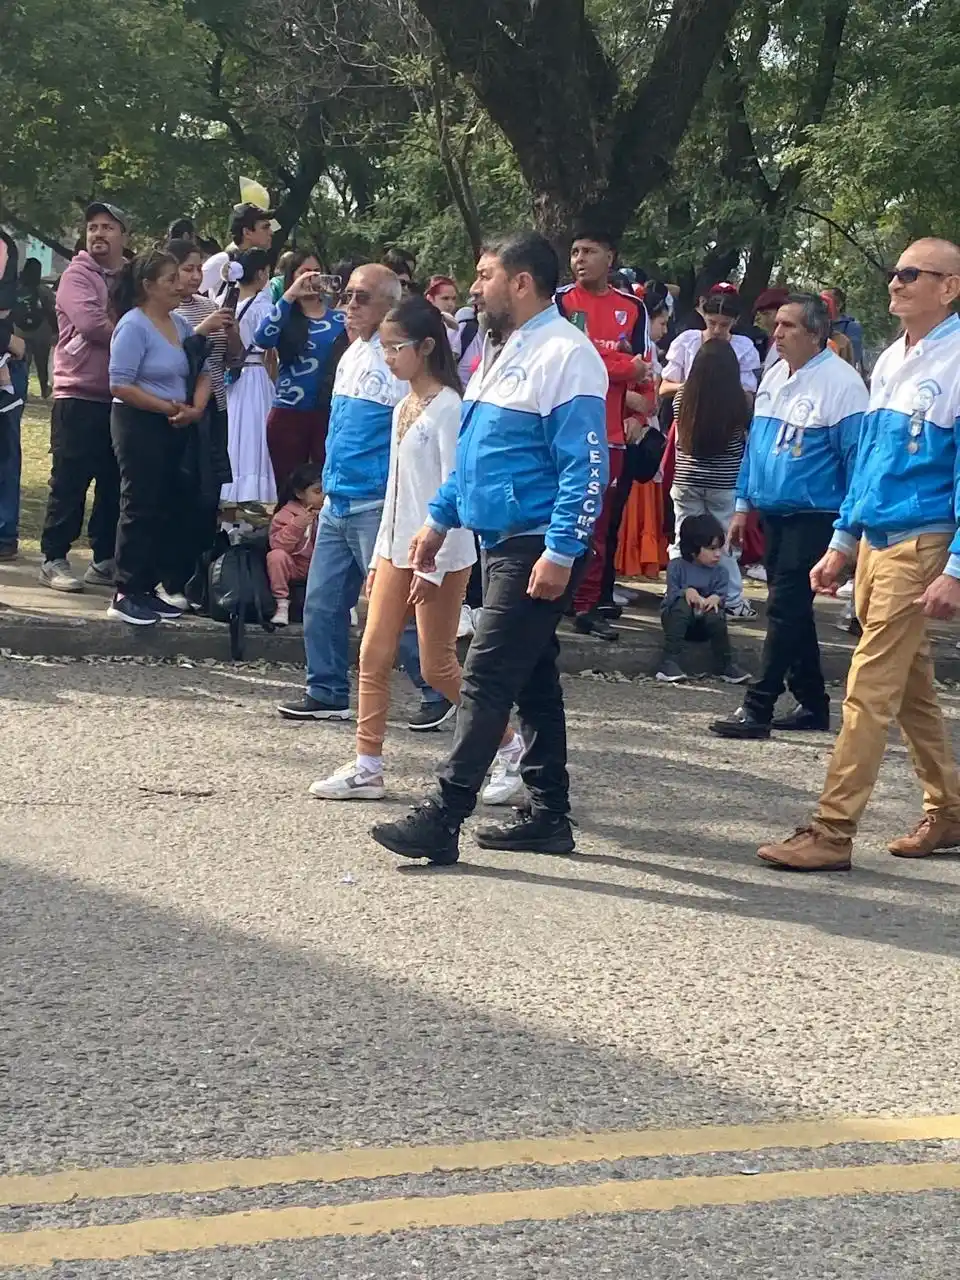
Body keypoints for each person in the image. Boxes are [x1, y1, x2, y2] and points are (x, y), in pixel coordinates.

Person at [369, 230, 609, 866]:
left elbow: (586, 464)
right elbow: (476, 454)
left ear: (522, 282)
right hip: (500, 537)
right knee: (532, 681)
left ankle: (445, 813)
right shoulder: (501, 352)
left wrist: (561, 550)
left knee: (486, 674)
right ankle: (549, 814)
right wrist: (441, 516)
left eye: (485, 275)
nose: (475, 288)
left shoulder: (566, 354)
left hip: (535, 540)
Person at [758, 238, 960, 872]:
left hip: (921, 539)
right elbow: (873, 459)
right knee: (910, 688)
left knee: (868, 686)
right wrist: (845, 539)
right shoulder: (896, 357)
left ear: (948, 287)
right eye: (892, 273)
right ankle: (949, 808)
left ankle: (832, 828)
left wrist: (957, 567)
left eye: (909, 274)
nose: (894, 283)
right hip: (878, 538)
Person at [309, 297, 526, 802]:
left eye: (396, 347)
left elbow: (457, 490)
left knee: (437, 667)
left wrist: (435, 561)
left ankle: (511, 747)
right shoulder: (404, 405)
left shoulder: (452, 408)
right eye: (383, 347)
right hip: (395, 550)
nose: (388, 357)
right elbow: (397, 488)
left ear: (426, 347)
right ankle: (367, 764)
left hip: (442, 555)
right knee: (372, 652)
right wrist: (382, 552)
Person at [276, 264, 450, 729]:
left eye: (361, 297)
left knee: (396, 608)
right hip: (338, 501)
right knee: (322, 602)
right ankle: (326, 689)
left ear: (390, 306)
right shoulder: (352, 352)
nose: (349, 305)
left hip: (377, 503)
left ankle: (438, 688)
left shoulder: (400, 364)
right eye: (346, 295)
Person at [709, 294, 868, 740]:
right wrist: (743, 505)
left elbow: (856, 461)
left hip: (815, 513)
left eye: (788, 326)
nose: (776, 333)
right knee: (792, 611)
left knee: (783, 608)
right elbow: (756, 447)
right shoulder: (776, 375)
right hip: (774, 512)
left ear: (815, 334)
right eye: (775, 325)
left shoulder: (843, 384)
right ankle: (813, 703)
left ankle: (757, 706)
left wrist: (848, 532)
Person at [107, 250, 212, 625]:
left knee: (164, 505)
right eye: (170, 279)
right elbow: (120, 383)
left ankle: (148, 587)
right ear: (148, 285)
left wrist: (195, 408)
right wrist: (167, 407)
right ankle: (125, 589)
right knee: (139, 503)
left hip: (175, 424)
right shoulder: (133, 325)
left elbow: (201, 367)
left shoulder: (180, 325)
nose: (179, 286)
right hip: (138, 423)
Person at [556, 229, 649, 641]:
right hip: (561, 431)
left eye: (589, 251)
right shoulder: (559, 302)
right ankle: (552, 599)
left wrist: (641, 411)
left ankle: (587, 604)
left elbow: (645, 369)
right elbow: (568, 358)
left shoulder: (633, 308)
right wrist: (622, 367)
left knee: (598, 524)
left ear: (609, 257)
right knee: (556, 515)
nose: (580, 259)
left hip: (611, 435)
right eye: (575, 252)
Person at [39, 201, 127, 592]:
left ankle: (103, 559)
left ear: (124, 235)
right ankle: (54, 557)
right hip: (77, 394)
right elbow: (93, 326)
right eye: (93, 227)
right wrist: (137, 332)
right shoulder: (76, 275)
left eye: (108, 227)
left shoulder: (130, 277)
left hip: (120, 395)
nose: (98, 234)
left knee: (113, 482)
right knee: (70, 481)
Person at [168, 237, 240, 591]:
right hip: (182, 408)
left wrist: (232, 332)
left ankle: (201, 576)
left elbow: (231, 359)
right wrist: (202, 330)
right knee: (182, 491)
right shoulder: (168, 312)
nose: (196, 276)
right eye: (188, 268)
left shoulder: (206, 304)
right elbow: (169, 356)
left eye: (199, 268)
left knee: (209, 494)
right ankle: (173, 575)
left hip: (217, 407)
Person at [669, 340, 754, 616]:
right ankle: (732, 601)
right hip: (724, 483)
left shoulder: (683, 396)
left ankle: (679, 596)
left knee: (684, 540)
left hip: (686, 479)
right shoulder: (740, 400)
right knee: (722, 545)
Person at [254, 250, 347, 492]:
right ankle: (285, 529)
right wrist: (289, 295)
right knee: (287, 486)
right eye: (304, 272)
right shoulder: (284, 316)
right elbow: (262, 339)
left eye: (316, 271)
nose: (311, 278)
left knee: (323, 483)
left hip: (327, 411)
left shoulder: (339, 319)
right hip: (288, 412)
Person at [609, 283, 672, 590]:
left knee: (613, 519)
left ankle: (603, 588)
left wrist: (635, 412)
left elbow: (649, 398)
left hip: (627, 441)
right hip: (595, 435)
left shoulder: (641, 350)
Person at [656, 514, 748, 683]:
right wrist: (686, 592)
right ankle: (669, 661)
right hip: (677, 624)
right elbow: (671, 596)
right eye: (712, 549)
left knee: (715, 613)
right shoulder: (676, 567)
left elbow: (721, 596)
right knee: (681, 605)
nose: (718, 554)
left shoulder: (720, 572)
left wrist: (715, 599)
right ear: (693, 549)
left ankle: (725, 665)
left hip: (703, 627)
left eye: (719, 548)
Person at [220, 249, 277, 508]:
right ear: (261, 273)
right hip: (256, 374)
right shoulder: (263, 306)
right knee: (255, 434)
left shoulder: (226, 301)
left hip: (233, 377)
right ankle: (252, 494)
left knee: (235, 433)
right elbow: (270, 349)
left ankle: (232, 496)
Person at [660, 285, 762, 399]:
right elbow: (664, 388)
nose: (717, 330)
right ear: (704, 315)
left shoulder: (744, 348)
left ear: (735, 320)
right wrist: (693, 388)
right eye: (712, 323)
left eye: (724, 325)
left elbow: (748, 396)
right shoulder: (686, 341)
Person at [267, 462, 324, 626]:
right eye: (317, 491)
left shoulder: (330, 513)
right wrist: (297, 525)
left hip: (319, 565)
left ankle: (347, 605)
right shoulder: (285, 514)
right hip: (294, 565)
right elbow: (278, 545)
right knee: (276, 556)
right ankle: (282, 604)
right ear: (300, 493)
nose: (323, 496)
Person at [200, 203, 274, 299]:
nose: (271, 232)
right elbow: (188, 295)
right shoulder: (223, 260)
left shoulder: (260, 264)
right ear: (247, 232)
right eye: (265, 227)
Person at [13, 258, 57, 398]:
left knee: (22, 362)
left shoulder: (15, 287)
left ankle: (20, 389)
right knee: (41, 363)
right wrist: (55, 330)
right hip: (41, 331)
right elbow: (52, 310)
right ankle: (44, 389)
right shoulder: (42, 290)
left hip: (19, 330)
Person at [823, 286, 864, 372]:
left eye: (826, 301)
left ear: (838, 305)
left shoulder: (851, 327)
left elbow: (854, 355)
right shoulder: (815, 325)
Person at [752, 287, 791, 375]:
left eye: (767, 314)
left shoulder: (792, 344)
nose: (762, 319)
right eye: (761, 314)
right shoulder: (766, 340)